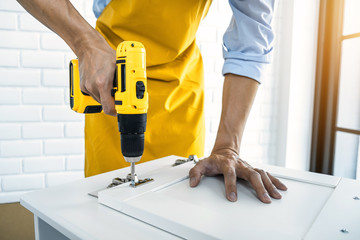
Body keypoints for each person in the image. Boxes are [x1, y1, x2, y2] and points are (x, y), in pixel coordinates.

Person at [17, 0, 287, 203]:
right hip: (110, 75)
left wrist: (228, 147)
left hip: (180, 88)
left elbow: (251, 43)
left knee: (179, 202)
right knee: (106, 211)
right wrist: (85, 43)